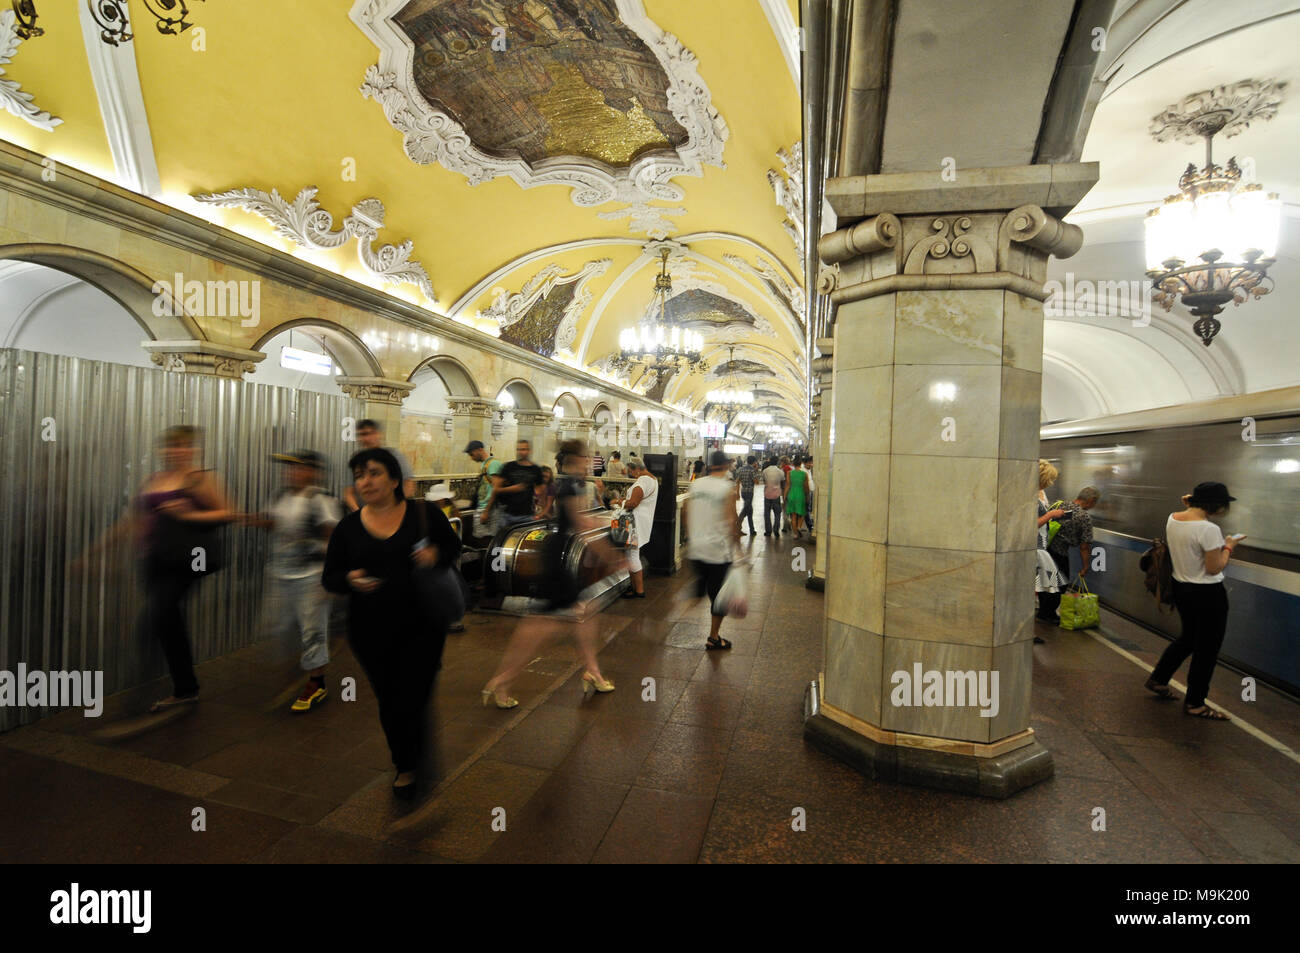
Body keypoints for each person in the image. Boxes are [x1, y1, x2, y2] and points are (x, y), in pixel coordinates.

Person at [322, 448, 462, 799]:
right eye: (359, 475)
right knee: (390, 699)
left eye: (373, 473)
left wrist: (435, 555)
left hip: (423, 625)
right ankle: (407, 763)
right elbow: (330, 577)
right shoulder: (348, 527)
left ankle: (416, 754)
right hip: (370, 630)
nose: (365, 482)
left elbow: (453, 546)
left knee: (414, 694)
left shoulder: (423, 513)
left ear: (394, 479)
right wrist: (350, 579)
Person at [481, 439, 616, 707]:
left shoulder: (567, 483)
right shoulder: (573, 485)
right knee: (543, 627)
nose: (589, 461)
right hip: (557, 561)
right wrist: (613, 556)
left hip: (555, 554)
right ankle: (503, 680)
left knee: (583, 613)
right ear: (576, 459)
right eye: (586, 457)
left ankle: (593, 671)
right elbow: (582, 524)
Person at [134, 426, 241, 712]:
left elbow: (229, 512)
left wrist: (188, 513)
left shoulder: (200, 479)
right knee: (167, 621)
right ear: (162, 450)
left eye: (182, 446)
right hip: (156, 558)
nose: (176, 452)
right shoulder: (153, 479)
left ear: (193, 450)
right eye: (171, 447)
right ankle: (185, 688)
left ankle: (151, 689)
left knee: (156, 617)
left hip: (190, 559)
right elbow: (139, 518)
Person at [248, 450, 342, 712]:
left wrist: (329, 579)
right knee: (278, 625)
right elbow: (275, 523)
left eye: (298, 468)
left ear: (313, 472)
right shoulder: (282, 495)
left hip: (311, 575)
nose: (291, 472)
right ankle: (298, 667)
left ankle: (316, 683)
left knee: (313, 630)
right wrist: (256, 521)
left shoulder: (321, 499)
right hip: (281, 573)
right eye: (289, 468)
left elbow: (333, 539)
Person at [1144, 483, 1242, 720]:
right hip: (1208, 594)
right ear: (1216, 506)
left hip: (1182, 589)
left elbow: (1189, 508)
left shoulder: (1173, 519)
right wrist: (1229, 546)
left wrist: (1192, 501)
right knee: (1207, 649)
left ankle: (1158, 679)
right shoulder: (1209, 530)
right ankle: (1196, 703)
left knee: (1188, 638)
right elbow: (1213, 567)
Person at [684, 450, 741, 650]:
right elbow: (730, 518)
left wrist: (691, 536)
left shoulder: (696, 484)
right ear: (725, 465)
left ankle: (691, 600)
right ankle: (713, 637)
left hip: (697, 547)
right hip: (718, 550)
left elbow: (686, 510)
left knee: (703, 586)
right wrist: (736, 546)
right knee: (719, 596)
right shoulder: (727, 487)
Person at [1033, 459, 1069, 642]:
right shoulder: (1027, 494)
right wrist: (1050, 515)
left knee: (1037, 590)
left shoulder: (1039, 492)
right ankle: (1025, 633)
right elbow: (1029, 524)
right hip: (1033, 547)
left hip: (1040, 545)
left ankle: (1026, 632)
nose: (1050, 483)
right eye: (1048, 479)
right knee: (1032, 590)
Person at [344, 419, 414, 511]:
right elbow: (349, 493)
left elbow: (408, 485)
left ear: (378, 434)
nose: (365, 439)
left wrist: (393, 509)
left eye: (368, 434)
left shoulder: (394, 456)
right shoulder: (356, 460)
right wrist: (360, 514)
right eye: (360, 435)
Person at [620, 456, 658, 598]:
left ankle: (639, 590)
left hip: (633, 523)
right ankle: (635, 588)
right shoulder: (653, 479)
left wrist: (620, 501)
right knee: (632, 554)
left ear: (635, 468)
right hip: (642, 522)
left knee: (632, 555)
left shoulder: (643, 481)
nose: (630, 473)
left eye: (630, 470)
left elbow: (633, 503)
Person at [482, 439, 540, 531]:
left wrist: (543, 512)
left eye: (524, 449)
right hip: (507, 515)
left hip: (527, 516)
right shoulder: (509, 467)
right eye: (519, 449)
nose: (521, 452)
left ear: (529, 451)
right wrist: (486, 511)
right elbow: (496, 489)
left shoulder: (535, 469)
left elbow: (542, 491)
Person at [1047, 485, 1101, 585]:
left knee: (1045, 585)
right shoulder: (1084, 516)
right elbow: (1084, 547)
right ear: (1091, 500)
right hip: (1059, 556)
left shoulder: (1060, 504)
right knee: (1058, 588)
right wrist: (1085, 566)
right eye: (1094, 503)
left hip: (1045, 550)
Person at [464, 440, 501, 539]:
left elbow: (496, 489)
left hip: (490, 510)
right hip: (482, 508)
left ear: (479, 450)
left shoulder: (493, 464)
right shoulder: (485, 464)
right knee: (480, 539)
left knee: (487, 540)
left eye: (472, 454)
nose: (471, 458)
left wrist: (486, 511)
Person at [734, 455, 759, 536]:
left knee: (749, 511)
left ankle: (752, 530)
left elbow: (737, 481)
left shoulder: (741, 469)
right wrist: (756, 470)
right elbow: (756, 482)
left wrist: (737, 493)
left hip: (743, 492)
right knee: (745, 510)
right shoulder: (752, 470)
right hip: (749, 492)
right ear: (754, 462)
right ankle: (737, 526)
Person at [761, 457, 786, 537]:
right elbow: (783, 483)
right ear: (777, 462)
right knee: (777, 513)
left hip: (767, 494)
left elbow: (764, 481)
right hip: (777, 494)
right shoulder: (780, 471)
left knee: (767, 513)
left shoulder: (765, 471)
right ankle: (776, 530)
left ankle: (768, 531)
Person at [785, 456, 810, 537]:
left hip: (791, 494)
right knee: (802, 513)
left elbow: (788, 485)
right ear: (801, 464)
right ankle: (799, 526)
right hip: (800, 494)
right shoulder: (804, 474)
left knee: (793, 515)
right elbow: (806, 486)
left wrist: (785, 496)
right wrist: (807, 494)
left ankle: (795, 534)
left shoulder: (789, 473)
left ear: (793, 464)